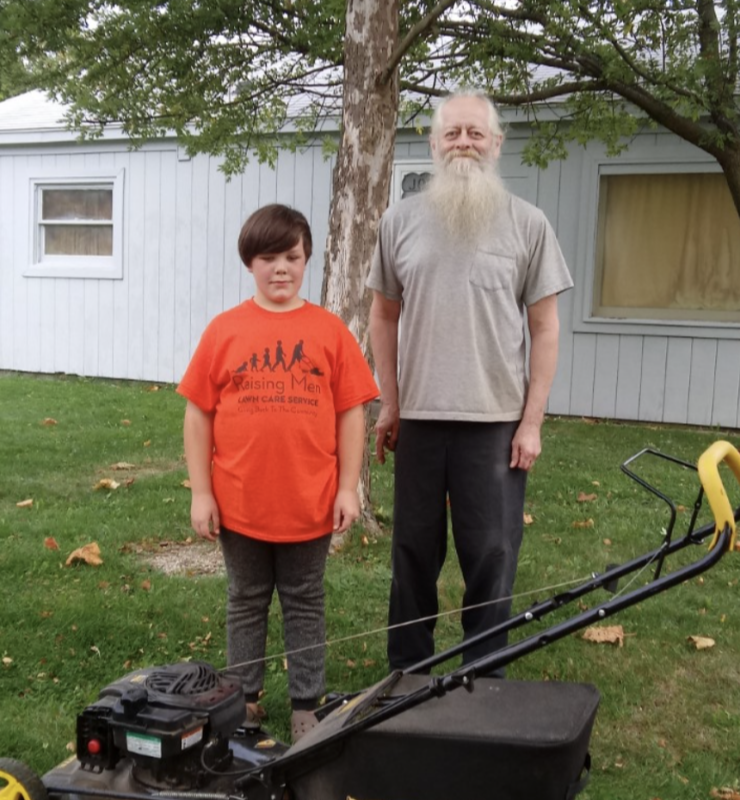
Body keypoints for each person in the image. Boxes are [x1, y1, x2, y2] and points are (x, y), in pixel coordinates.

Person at [368, 92, 573, 671]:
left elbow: (546, 328)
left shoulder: (528, 224)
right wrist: (391, 403)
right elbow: (384, 316)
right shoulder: (398, 223)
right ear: (432, 144)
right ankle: (407, 676)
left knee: (491, 554)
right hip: (421, 422)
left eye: (475, 134)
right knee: (412, 554)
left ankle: (483, 677)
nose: (463, 143)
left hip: (496, 424)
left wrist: (531, 422)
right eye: (452, 133)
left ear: (496, 144)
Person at [179, 204, 378, 743]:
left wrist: (346, 487)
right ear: (250, 263)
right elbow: (197, 414)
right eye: (269, 258)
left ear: (307, 258)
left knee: (304, 599)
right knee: (245, 598)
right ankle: (242, 701)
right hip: (240, 501)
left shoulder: (329, 332)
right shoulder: (225, 331)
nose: (281, 268)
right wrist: (202, 492)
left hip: (309, 503)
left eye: (292, 256)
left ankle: (305, 705)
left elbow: (351, 413)